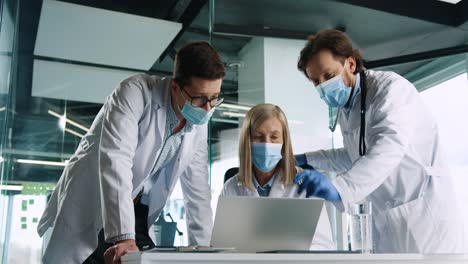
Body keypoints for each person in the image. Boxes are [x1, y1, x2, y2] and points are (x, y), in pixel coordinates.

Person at [37, 42, 225, 263]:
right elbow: (115, 160)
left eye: (214, 98)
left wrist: (205, 253)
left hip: (138, 212)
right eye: (200, 98)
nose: (207, 108)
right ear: (175, 87)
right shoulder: (134, 92)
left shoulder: (198, 123)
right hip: (96, 201)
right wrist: (124, 237)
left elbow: (198, 193)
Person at [294, 29, 463, 253]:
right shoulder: (348, 107)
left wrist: (341, 187)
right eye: (316, 81)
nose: (323, 85)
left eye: (328, 75)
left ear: (351, 64)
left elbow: (388, 148)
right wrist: (308, 159)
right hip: (388, 219)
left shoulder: (390, 90)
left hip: (425, 217)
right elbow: (356, 155)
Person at [221, 103, 336, 250]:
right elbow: (223, 247)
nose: (266, 144)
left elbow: (324, 247)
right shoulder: (231, 188)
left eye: (274, 137)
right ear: (247, 141)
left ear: (284, 142)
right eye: (258, 137)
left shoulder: (305, 184)